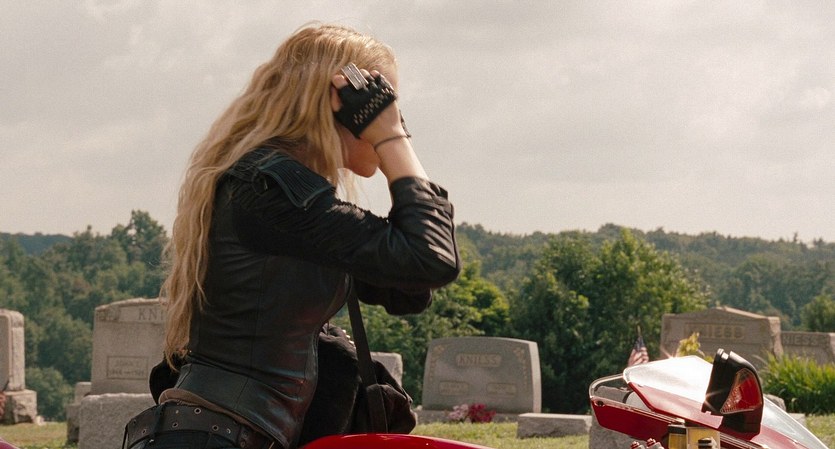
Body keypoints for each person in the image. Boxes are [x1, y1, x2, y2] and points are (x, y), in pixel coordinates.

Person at [123, 23, 460, 449]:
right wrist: (392, 139)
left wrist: (392, 140)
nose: (394, 121)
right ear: (341, 104)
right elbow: (428, 258)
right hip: (217, 437)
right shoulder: (268, 187)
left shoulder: (292, 197)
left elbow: (410, 288)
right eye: (385, 106)